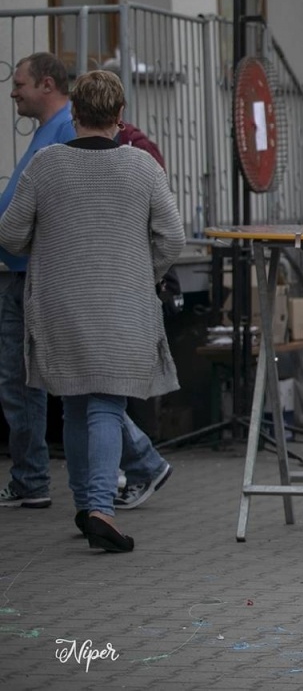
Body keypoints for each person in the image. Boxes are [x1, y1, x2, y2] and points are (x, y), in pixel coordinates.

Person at [0, 70, 184, 552]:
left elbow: (11, 234)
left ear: (74, 113)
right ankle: (101, 507)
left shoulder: (45, 165)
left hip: (59, 304)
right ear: (120, 117)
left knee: (77, 401)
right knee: (106, 402)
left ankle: (85, 504)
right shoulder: (142, 168)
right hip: (123, 305)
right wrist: (146, 271)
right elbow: (172, 237)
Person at [0, 52, 78, 509]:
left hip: (35, 274)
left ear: (46, 84)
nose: (13, 93)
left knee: (40, 378)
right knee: (23, 379)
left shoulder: (66, 129)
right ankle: (30, 480)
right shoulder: (50, 131)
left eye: (20, 84)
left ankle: (142, 461)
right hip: (20, 271)